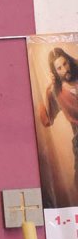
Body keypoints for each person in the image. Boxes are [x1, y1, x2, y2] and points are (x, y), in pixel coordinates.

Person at [38, 47, 78, 206]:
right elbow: (47, 120)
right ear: (54, 71)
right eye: (59, 68)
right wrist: (48, 90)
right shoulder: (57, 92)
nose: (64, 69)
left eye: (65, 64)